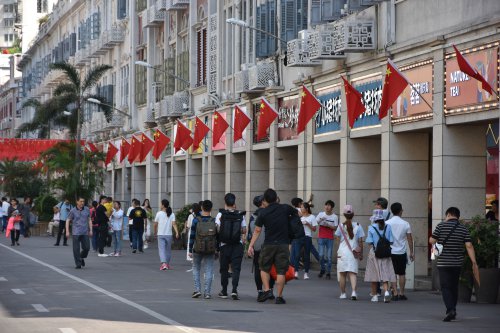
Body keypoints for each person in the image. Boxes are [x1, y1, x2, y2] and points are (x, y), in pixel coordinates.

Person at [248, 188, 297, 305]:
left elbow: (257, 230)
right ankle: (279, 297)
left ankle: (267, 290)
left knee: (264, 267)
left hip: (269, 244)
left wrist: (250, 245)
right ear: (276, 198)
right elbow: (297, 213)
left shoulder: (263, 212)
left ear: (265, 200)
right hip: (283, 244)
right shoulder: (285, 208)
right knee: (281, 271)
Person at [429, 207, 478, 322]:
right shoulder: (463, 228)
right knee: (454, 286)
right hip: (457, 263)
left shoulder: (441, 226)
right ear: (458, 216)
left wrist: (437, 238)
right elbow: (469, 246)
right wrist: (474, 262)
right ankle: (453, 309)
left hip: (444, 263)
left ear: (449, 214)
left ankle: (450, 310)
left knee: (445, 287)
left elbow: (432, 241)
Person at [216, 193, 247, 300]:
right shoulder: (240, 214)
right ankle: (234, 290)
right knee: (236, 269)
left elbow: (218, 230)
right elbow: (244, 230)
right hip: (237, 245)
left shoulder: (220, 215)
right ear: (234, 203)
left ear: (225, 202)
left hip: (224, 245)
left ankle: (224, 291)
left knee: (224, 269)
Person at [364, 209, 396, 303]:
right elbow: (391, 241)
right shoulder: (388, 227)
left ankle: (374, 296)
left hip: (374, 253)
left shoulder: (371, 227)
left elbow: (369, 242)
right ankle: (386, 291)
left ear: (374, 219)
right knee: (385, 272)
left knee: (374, 275)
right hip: (386, 253)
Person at [188, 199, 218, 299]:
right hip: (210, 248)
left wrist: (189, 250)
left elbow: (192, 236)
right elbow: (217, 237)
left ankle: (197, 290)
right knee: (209, 270)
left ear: (202, 208)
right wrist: (217, 249)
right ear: (211, 209)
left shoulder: (196, 220)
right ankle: (207, 293)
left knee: (196, 268)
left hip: (197, 248)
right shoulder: (214, 221)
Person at [335, 205, 365, 300]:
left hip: (342, 252)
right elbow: (360, 241)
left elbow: (337, 239)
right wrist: (361, 253)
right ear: (353, 214)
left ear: (344, 214)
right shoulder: (358, 225)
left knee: (342, 274)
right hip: (353, 252)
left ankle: (343, 293)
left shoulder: (340, 226)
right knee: (353, 273)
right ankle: (354, 292)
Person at [249, 195, 275, 301]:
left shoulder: (253, 216)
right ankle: (270, 290)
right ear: (262, 202)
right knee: (271, 268)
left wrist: (250, 245)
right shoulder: (270, 214)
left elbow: (251, 233)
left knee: (258, 269)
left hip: (257, 246)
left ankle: (260, 291)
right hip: (270, 245)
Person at [386, 202, 414, 301]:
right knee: (402, 273)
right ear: (400, 211)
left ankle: (395, 293)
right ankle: (402, 293)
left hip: (391, 252)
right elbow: (410, 239)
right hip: (402, 252)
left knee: (392, 273)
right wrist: (412, 252)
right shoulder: (405, 223)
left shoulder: (387, 223)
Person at [65, 197, 92, 269]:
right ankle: (78, 263)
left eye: (83, 201)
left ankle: (81, 257)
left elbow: (89, 220)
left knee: (87, 248)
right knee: (76, 249)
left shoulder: (86, 209)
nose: (82, 203)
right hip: (76, 232)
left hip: (85, 232)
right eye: (81, 201)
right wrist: (67, 231)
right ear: (77, 202)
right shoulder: (73, 211)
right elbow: (68, 220)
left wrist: (91, 230)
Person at [315, 200, 339, 279]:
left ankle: (328, 272)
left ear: (332, 208)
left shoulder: (334, 216)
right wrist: (321, 219)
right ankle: (322, 269)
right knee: (321, 255)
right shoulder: (321, 214)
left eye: (329, 206)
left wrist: (328, 225)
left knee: (329, 256)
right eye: (326, 205)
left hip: (330, 238)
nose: (327, 207)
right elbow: (315, 223)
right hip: (321, 237)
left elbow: (336, 228)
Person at [293, 202, 317, 280]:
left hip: (307, 237)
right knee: (297, 255)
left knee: (307, 256)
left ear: (306, 209)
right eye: (301, 207)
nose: (301, 208)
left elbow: (314, 229)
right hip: (298, 237)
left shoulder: (312, 217)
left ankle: (306, 273)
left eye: (302, 207)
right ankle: (296, 272)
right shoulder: (298, 217)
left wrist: (307, 224)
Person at [154, 199, 179, 270]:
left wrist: (155, 232)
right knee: (168, 250)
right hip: (169, 234)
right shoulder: (172, 214)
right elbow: (174, 224)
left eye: (160, 204)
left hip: (161, 234)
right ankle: (167, 264)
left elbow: (155, 224)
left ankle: (164, 264)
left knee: (161, 250)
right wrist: (177, 232)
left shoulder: (159, 213)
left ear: (163, 205)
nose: (160, 205)